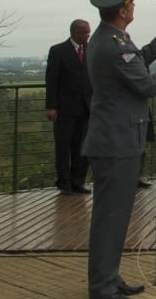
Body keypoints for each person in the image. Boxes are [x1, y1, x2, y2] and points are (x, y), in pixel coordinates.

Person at [82, 0, 156, 299]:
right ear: (122, 11)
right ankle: (102, 286)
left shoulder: (113, 39)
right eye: (131, 3)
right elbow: (147, 85)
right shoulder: (113, 46)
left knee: (115, 217)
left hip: (118, 141)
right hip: (116, 143)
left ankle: (109, 278)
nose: (134, 5)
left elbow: (138, 61)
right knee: (110, 219)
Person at [45, 19, 93, 195]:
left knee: (83, 147)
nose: (88, 35)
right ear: (75, 32)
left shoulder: (90, 49)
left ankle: (78, 181)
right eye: (85, 32)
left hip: (86, 107)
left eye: (89, 32)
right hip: (64, 108)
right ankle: (64, 182)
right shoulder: (58, 50)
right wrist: (51, 106)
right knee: (64, 146)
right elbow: (51, 80)